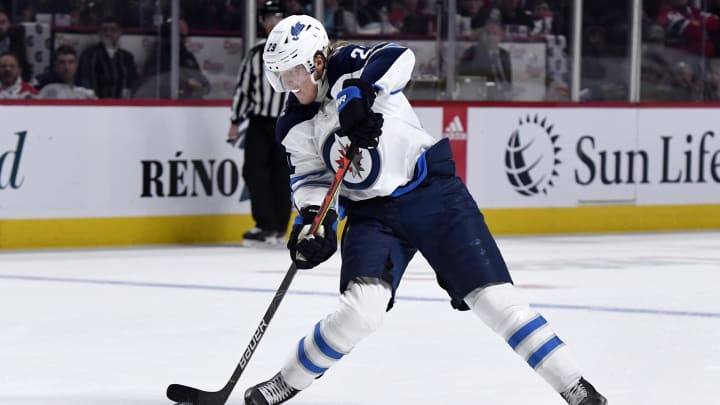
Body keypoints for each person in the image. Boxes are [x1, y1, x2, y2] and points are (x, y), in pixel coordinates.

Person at [242, 14, 608, 405]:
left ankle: (575, 387)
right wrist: (315, 223)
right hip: (372, 214)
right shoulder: (293, 123)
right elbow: (311, 181)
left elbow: (400, 57)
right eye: (281, 77)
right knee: (359, 312)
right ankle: (286, 381)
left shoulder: (349, 62)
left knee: (494, 300)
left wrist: (357, 94)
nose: (290, 86)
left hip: (432, 194)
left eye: (295, 73)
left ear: (317, 60)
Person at [227, 0, 291, 246]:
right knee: (254, 171)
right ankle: (265, 225)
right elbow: (243, 89)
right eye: (268, 18)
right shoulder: (256, 54)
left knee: (281, 174)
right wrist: (235, 121)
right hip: (260, 122)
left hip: (287, 122)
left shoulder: (297, 50)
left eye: (277, 17)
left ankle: (278, 228)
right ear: (262, 23)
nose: (272, 22)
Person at [135, 18, 210, 99]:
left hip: (189, 104)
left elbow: (204, 82)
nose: (187, 39)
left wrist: (203, 87)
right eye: (183, 36)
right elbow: (154, 85)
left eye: (186, 36)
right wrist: (186, 84)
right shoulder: (157, 57)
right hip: (164, 105)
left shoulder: (188, 57)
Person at [77, 16, 139, 98]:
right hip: (95, 104)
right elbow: (84, 81)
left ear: (120, 32)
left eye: (113, 30)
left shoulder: (127, 57)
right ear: (99, 33)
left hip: (122, 106)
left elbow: (133, 83)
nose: (108, 33)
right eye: (104, 30)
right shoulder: (89, 55)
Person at [457, 21, 513, 100]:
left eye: (495, 34)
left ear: (501, 37)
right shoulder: (472, 52)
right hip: (480, 96)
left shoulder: (504, 54)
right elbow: (462, 74)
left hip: (502, 97)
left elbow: (508, 80)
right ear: (482, 36)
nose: (491, 37)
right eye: (488, 33)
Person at [0, 7, 32, 81]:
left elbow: (24, 67)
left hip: (13, 83)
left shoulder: (16, 42)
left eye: (2, 22)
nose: (0, 27)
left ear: (9, 24)